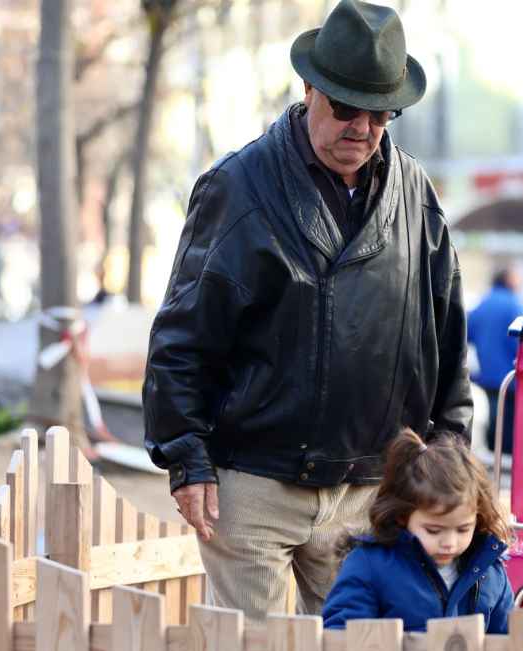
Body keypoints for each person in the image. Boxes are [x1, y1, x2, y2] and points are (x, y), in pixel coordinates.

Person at [141, 0, 473, 619]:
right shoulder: (237, 187)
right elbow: (183, 336)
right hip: (253, 485)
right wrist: (185, 455)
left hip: (371, 489)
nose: (362, 128)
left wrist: (450, 449)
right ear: (309, 90)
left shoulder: (415, 194)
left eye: (380, 114)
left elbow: (447, 337)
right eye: (345, 108)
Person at [322, 428, 514, 633]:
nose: (449, 543)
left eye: (463, 529)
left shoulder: (490, 573)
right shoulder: (369, 565)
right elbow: (341, 636)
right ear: (403, 516)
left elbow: (509, 641)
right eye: (433, 530)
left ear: (478, 518)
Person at [467, 266, 523, 456]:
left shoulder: (482, 305)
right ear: (509, 280)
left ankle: (495, 461)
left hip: (487, 379)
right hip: (512, 379)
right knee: (510, 434)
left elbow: (465, 334)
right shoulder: (514, 305)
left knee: (494, 426)